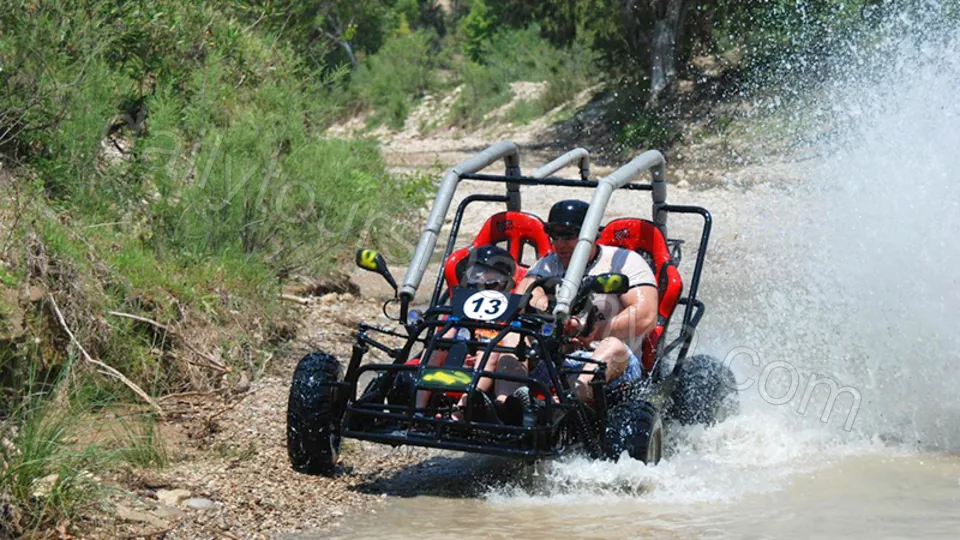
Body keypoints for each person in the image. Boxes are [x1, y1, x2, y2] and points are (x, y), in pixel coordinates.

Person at [514, 199, 659, 402]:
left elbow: (645, 316)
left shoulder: (622, 261)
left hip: (614, 363)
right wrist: (545, 306)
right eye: (554, 235)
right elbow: (522, 298)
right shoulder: (548, 264)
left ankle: (564, 407)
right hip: (555, 359)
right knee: (511, 336)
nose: (559, 243)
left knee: (612, 345)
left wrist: (591, 331)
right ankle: (507, 401)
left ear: (589, 235)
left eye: (567, 235)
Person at [414, 244, 517, 414]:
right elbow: (450, 332)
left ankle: (462, 409)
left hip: (490, 362)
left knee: (489, 352)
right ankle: (418, 408)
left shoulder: (506, 309)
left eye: (488, 278)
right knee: (438, 343)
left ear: (503, 283)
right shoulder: (466, 303)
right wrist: (450, 346)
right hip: (461, 356)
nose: (480, 282)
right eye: (475, 275)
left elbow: (503, 341)